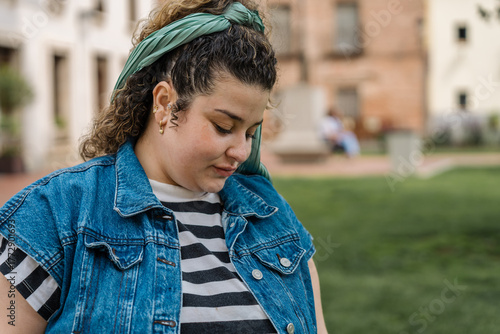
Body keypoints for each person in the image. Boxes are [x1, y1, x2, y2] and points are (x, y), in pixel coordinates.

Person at [0, 1, 327, 333]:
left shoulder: (271, 217)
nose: (242, 150)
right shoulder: (53, 213)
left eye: (251, 132)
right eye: (224, 127)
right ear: (165, 104)